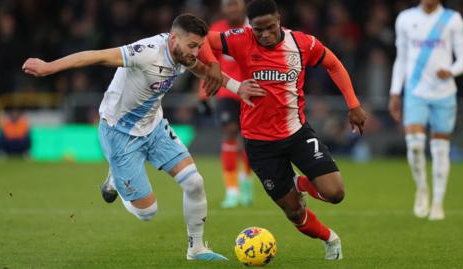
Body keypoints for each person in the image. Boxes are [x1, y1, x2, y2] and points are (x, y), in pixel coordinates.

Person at [22, 13, 264, 261]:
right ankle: (115, 177)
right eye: (192, 45)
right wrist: (48, 67)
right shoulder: (146, 51)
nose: (196, 51)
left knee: (195, 183)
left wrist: (237, 86)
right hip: (120, 134)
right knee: (148, 212)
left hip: (155, 127)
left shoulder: (184, 54)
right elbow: (96, 55)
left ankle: (197, 248)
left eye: (199, 46)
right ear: (173, 39)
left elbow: (202, 70)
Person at [204, 0, 367, 260]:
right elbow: (198, 39)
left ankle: (299, 182)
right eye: (258, 30)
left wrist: (353, 104)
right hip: (259, 144)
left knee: (335, 193)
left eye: (270, 27)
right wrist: (214, 65)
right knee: (293, 211)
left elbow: (333, 64)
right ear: (251, 27)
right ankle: (329, 238)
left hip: (296, 134)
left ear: (279, 19)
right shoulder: (240, 39)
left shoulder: (303, 43)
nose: (265, 34)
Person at [388, 0, 463, 220]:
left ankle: (438, 202)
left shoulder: (452, 19)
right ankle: (422, 188)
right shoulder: (405, 19)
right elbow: (401, 58)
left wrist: (450, 70)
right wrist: (395, 92)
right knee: (414, 145)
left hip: (444, 94)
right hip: (415, 92)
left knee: (441, 150)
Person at [199, 0, 253, 208]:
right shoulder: (216, 30)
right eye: (228, 5)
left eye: (235, 4)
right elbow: (207, 65)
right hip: (227, 91)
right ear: (223, 8)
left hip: (251, 90)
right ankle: (232, 191)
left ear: (243, 6)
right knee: (230, 132)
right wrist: (203, 95)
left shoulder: (253, 28)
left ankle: (246, 182)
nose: (232, 8)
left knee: (250, 139)